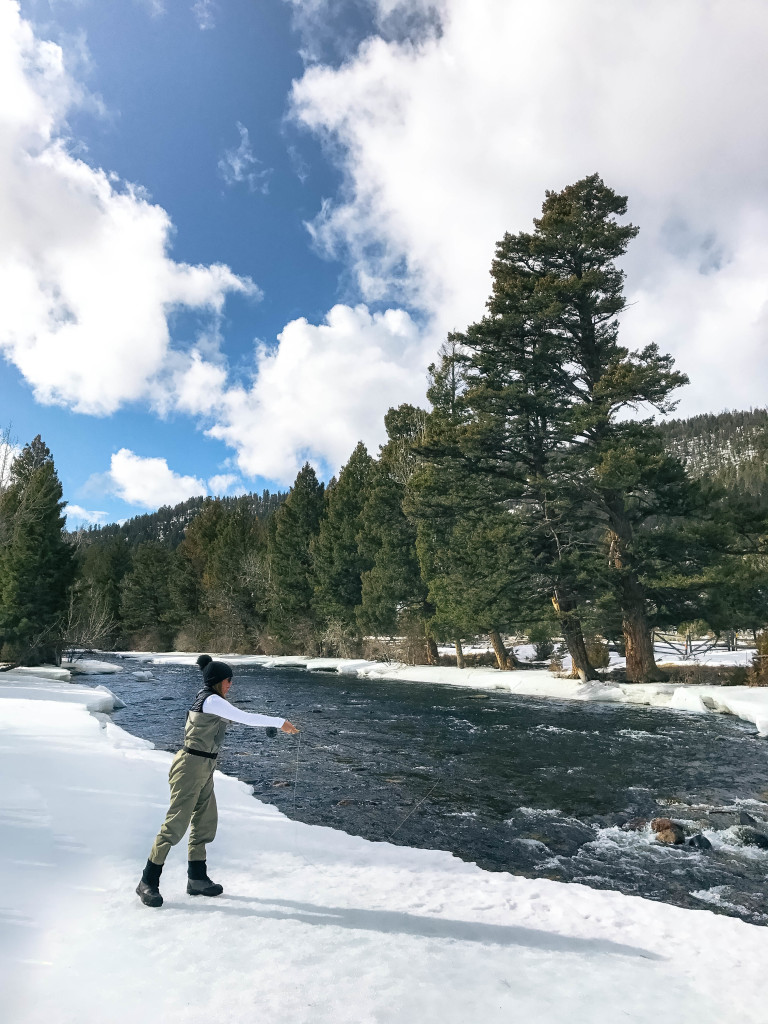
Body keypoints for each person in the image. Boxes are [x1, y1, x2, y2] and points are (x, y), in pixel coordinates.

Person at [136, 659, 299, 908]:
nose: (230, 685)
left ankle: (197, 879)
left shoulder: (212, 699)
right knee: (175, 826)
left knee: (205, 823)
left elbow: (233, 716)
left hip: (204, 766)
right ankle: (148, 881)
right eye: (228, 680)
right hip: (190, 767)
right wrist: (279, 722)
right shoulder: (211, 701)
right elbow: (243, 717)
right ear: (218, 682)